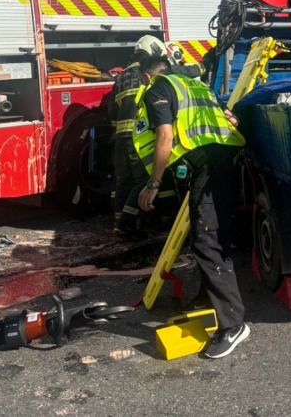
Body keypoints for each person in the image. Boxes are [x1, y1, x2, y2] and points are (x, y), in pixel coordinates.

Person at [133, 54, 250, 359]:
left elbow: (165, 136)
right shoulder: (196, 86)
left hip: (208, 170)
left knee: (207, 240)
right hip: (222, 163)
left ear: (148, 77)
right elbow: (229, 118)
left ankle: (233, 324)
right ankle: (207, 299)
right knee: (210, 235)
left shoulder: (158, 88)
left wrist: (153, 184)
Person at [111, 35, 170, 239]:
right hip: (139, 136)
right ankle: (127, 225)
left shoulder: (120, 77)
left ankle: (119, 222)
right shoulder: (146, 74)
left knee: (124, 181)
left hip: (120, 137)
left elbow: (112, 111)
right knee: (144, 179)